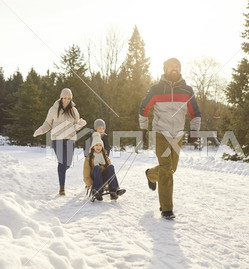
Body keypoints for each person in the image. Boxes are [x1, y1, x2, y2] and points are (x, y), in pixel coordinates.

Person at [139, 58, 201, 219]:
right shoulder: (156, 89)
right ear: (165, 69)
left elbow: (195, 112)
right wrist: (143, 129)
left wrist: (194, 131)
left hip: (178, 134)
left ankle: (151, 174)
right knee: (167, 170)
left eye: (178, 66)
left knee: (171, 168)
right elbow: (143, 109)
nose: (175, 69)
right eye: (172, 66)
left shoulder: (187, 90)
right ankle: (167, 209)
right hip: (161, 133)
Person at [33, 88, 87, 196]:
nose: (66, 100)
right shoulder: (53, 110)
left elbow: (75, 126)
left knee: (68, 163)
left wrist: (80, 124)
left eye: (68, 98)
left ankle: (62, 171)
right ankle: (62, 187)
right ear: (61, 97)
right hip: (57, 139)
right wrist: (40, 130)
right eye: (64, 98)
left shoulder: (74, 111)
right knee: (62, 162)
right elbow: (48, 124)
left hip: (70, 139)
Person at [83, 132, 125, 201]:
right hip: (94, 180)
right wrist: (91, 186)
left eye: (100, 145)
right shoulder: (88, 158)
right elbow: (86, 176)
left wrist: (107, 185)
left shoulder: (105, 157)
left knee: (111, 166)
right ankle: (97, 191)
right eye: (96, 145)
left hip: (103, 179)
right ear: (93, 146)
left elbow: (110, 172)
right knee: (97, 168)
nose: (98, 147)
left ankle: (114, 190)